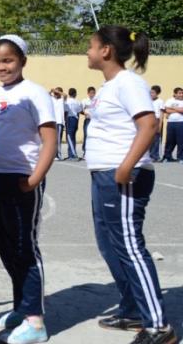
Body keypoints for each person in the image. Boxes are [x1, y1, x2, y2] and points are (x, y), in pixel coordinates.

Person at [85, 26, 175, 344]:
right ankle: (134, 308)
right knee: (110, 245)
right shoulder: (110, 85)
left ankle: (158, 327)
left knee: (130, 247)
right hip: (105, 174)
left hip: (122, 174)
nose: (88, 51)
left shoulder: (129, 83)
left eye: (91, 46)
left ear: (106, 50)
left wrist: (125, 167)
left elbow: (148, 124)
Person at [0, 35, 56, 344]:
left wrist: (34, 179)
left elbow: (50, 142)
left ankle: (35, 322)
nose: (1, 67)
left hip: (22, 179)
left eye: (8, 60)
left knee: (24, 247)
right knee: (5, 246)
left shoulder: (35, 93)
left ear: (23, 62)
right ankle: (21, 308)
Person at [161, 87, 183, 163]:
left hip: (181, 123)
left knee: (181, 141)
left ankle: (180, 158)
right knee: (170, 140)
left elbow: (182, 110)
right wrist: (178, 109)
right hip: (171, 123)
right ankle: (167, 157)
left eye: (182, 93)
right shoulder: (170, 100)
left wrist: (172, 108)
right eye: (179, 93)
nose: (181, 94)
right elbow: (166, 110)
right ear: (175, 94)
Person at [64, 88, 84, 161]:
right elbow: (80, 111)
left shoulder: (67, 102)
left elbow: (65, 111)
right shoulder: (77, 102)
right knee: (73, 137)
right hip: (75, 119)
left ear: (69, 94)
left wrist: (65, 121)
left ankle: (73, 155)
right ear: (75, 94)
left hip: (69, 119)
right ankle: (70, 154)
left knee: (69, 137)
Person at [50, 87, 66, 160]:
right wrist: (52, 91)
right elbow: (47, 95)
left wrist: (57, 91)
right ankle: (54, 155)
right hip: (53, 121)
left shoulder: (62, 99)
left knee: (58, 139)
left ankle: (58, 155)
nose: (56, 94)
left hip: (59, 122)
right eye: (55, 93)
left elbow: (65, 95)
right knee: (53, 139)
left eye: (57, 93)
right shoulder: (52, 99)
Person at [149, 86, 164, 162]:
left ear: (157, 93)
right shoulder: (147, 100)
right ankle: (149, 155)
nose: (151, 94)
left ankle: (155, 156)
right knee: (149, 139)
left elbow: (161, 114)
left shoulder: (160, 101)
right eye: (150, 92)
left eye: (153, 92)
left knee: (156, 140)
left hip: (156, 120)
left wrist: (160, 125)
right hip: (149, 120)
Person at [81, 86, 97, 160]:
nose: (92, 94)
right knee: (86, 135)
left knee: (94, 136)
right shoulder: (85, 101)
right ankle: (85, 152)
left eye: (93, 93)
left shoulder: (97, 101)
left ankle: (93, 153)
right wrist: (85, 113)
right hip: (88, 120)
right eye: (90, 93)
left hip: (95, 121)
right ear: (88, 93)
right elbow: (80, 109)